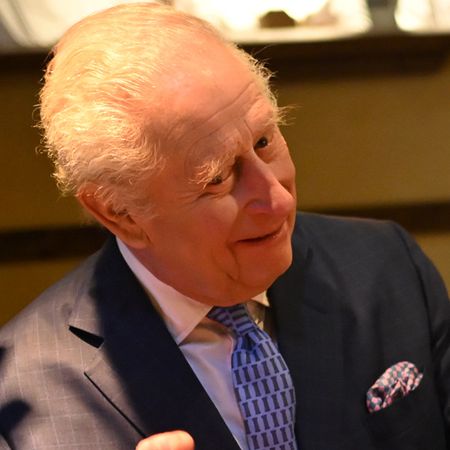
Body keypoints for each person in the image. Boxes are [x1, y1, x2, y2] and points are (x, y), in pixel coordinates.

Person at [0, 3, 449, 450]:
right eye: (217, 178)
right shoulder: (23, 395)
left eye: (264, 141)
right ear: (120, 212)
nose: (278, 199)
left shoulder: (387, 267)